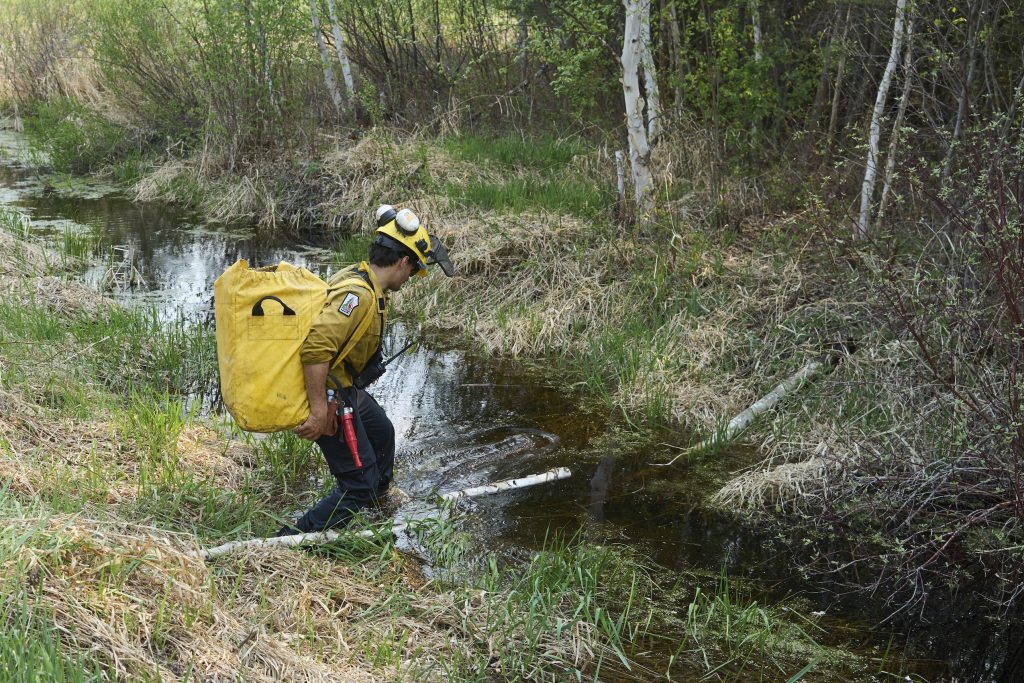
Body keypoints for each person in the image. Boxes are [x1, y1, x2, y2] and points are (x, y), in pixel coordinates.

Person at [277, 205, 454, 535]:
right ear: (403, 262)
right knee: (357, 482)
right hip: (328, 392)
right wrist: (319, 411)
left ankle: (377, 498)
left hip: (343, 385)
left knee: (381, 432)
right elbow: (316, 349)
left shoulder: (365, 281)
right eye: (414, 270)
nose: (411, 277)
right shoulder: (357, 295)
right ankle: (292, 541)